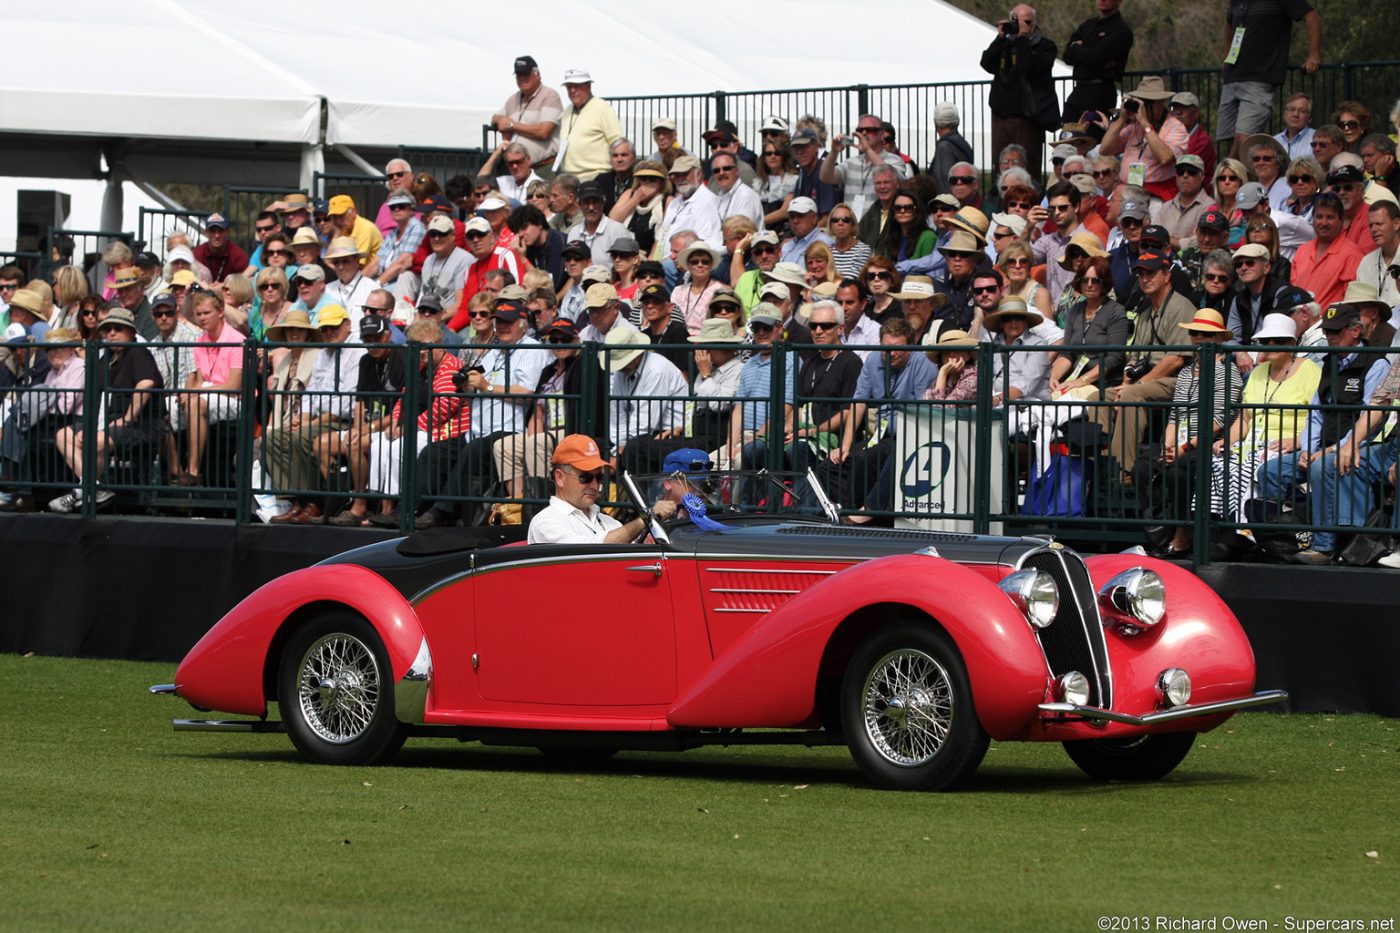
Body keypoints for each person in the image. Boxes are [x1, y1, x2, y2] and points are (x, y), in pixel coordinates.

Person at [1271, 305, 1388, 564]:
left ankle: (1323, 546)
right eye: (1327, 331)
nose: (1330, 337)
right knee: (1270, 471)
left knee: (1323, 467)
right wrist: (1307, 450)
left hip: (1352, 447)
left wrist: (1332, 450)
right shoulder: (1328, 361)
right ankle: (1287, 538)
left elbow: (1371, 420)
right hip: (1321, 448)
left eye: (1336, 331)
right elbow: (1316, 413)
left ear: (1356, 331)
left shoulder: (1376, 363)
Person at [1134, 308, 1243, 555]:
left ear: (1218, 339)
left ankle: (1184, 534)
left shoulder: (1228, 372)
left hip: (1209, 443)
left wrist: (1185, 447)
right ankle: (1162, 532)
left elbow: (1219, 420)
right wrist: (1167, 447)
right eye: (1195, 333)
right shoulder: (1185, 372)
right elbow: (1175, 416)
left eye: (1206, 334)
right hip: (1181, 441)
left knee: (1180, 472)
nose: (1199, 339)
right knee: (1143, 467)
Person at [1084, 251, 1196, 474]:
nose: (1145, 279)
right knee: (1098, 397)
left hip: (1179, 380)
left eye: (1151, 273)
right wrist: (1126, 381)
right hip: (1147, 380)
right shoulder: (1145, 311)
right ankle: (1102, 465)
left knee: (1132, 395)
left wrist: (1134, 386)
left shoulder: (1181, 307)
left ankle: (1122, 470)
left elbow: (1176, 359)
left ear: (1166, 275)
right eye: (1140, 274)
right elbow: (1134, 357)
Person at [48, 312, 162, 513]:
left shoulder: (139, 352)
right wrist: (91, 427)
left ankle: (81, 491)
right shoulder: (105, 359)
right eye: (108, 329)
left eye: (118, 329)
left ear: (131, 332)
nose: (112, 333)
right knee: (63, 435)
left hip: (141, 426)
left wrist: (127, 418)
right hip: (105, 423)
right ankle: (95, 489)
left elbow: (145, 384)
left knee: (98, 441)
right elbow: (95, 398)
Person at [1212, 314, 1321, 524]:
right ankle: (1221, 525)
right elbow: (1244, 418)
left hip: (1286, 445)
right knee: (1217, 463)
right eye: (1265, 341)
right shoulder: (1257, 373)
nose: (1270, 345)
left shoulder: (1310, 371)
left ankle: (1248, 529)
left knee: (1247, 468)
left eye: (1278, 341)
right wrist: (1229, 439)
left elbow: (1318, 418)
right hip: (1253, 443)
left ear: (1292, 343)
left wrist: (1300, 441)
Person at [527, 434, 677, 544]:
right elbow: (592, 552)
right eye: (585, 478)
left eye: (598, 478)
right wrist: (646, 518)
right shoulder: (546, 522)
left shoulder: (607, 521)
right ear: (560, 478)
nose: (594, 485)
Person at [1218, 0, 1321, 157]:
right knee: (1229, 139)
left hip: (1260, 79)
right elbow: (1228, 23)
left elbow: (1312, 17)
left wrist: (1313, 55)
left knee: (1244, 138)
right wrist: (1226, 57)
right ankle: (1233, 177)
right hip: (1233, 77)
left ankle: (1224, 177)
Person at [980, 3, 1059, 174]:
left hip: (1028, 118)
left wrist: (1022, 40)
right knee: (1000, 165)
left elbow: (1028, 66)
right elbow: (986, 63)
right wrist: (1000, 38)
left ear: (1035, 22)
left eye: (1028, 22)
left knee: (1027, 166)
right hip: (1001, 117)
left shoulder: (1046, 46)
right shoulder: (1006, 44)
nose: (1024, 27)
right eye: (1018, 22)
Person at [177, 291, 244, 487]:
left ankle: (193, 470)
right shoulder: (200, 341)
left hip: (234, 398)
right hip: (207, 393)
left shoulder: (237, 340)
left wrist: (198, 392)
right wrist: (188, 393)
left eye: (206, 313)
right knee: (164, 408)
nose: (202, 318)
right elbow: (198, 378)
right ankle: (175, 471)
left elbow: (234, 385)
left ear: (221, 312)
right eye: (198, 314)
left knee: (197, 402)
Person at [262, 310, 322, 522]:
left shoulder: (316, 356)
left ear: (307, 334)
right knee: (259, 444)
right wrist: (270, 427)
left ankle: (304, 500)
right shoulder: (286, 360)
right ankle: (289, 502)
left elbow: (318, 396)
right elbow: (277, 403)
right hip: (284, 422)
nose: (294, 334)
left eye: (299, 330)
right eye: (290, 330)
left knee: (291, 440)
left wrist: (307, 420)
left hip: (307, 419)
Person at [1099, 76, 1188, 203]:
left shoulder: (1175, 127)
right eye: (1140, 101)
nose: (1143, 107)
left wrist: (1145, 124)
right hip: (1128, 192)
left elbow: (1165, 157)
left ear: (1161, 101)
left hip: (1156, 196)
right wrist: (1121, 119)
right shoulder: (1134, 126)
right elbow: (1105, 149)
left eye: (1148, 102)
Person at [1051, 255, 1130, 393]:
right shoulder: (1074, 310)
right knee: (1049, 395)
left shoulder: (1116, 311)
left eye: (1095, 280)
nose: (1089, 285)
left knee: (1063, 403)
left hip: (1104, 383)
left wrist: (1081, 382)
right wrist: (1053, 377)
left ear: (1104, 283)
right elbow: (1067, 353)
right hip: (1075, 379)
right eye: (1084, 280)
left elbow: (1114, 358)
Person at [818, 114, 910, 221]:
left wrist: (867, 150)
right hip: (852, 228)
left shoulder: (894, 160)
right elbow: (825, 176)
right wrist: (834, 152)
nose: (864, 133)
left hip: (878, 228)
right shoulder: (851, 162)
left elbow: (891, 175)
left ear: (881, 135)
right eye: (860, 130)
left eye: (870, 130)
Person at [1290, 192, 1363, 312]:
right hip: (1298, 325)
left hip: (1330, 327)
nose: (1323, 223)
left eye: (1330, 217)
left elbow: (1351, 303)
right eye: (1319, 217)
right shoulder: (1302, 250)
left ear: (1342, 220)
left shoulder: (1353, 254)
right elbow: (1293, 293)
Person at [1063, 0, 1134, 116]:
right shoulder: (1087, 25)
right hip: (1078, 90)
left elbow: (1097, 58)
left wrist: (1076, 48)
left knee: (1092, 133)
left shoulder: (1121, 30)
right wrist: (1088, 53)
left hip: (1100, 93)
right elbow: (1067, 56)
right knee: (1068, 132)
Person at [493, 55, 562, 172]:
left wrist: (511, 126)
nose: (522, 78)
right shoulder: (513, 99)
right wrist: (502, 123)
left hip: (543, 168)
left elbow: (543, 132)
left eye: (526, 74)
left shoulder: (550, 96)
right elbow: (495, 117)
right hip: (515, 168)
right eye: (518, 75)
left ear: (537, 74)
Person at [557, 68, 622, 181]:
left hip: (596, 176)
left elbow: (617, 142)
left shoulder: (603, 108)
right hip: (569, 177)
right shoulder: (567, 110)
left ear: (588, 86)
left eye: (576, 86)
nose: (572, 90)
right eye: (569, 87)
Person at [656, 157, 722, 255]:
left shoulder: (707, 202)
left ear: (699, 174)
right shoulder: (674, 203)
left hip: (685, 263)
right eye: (676, 175)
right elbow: (661, 237)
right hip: (664, 260)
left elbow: (700, 244)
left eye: (684, 174)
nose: (680, 179)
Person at [608, 161, 669, 257]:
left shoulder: (666, 201)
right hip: (624, 253)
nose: (648, 182)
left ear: (661, 182)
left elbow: (663, 236)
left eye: (653, 179)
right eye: (644, 178)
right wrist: (636, 199)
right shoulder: (630, 194)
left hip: (648, 255)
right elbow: (613, 219)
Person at [1154, 154, 1213, 250]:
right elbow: (1153, 236)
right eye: (1181, 172)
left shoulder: (1210, 207)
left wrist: (1164, 239)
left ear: (1201, 176)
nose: (1185, 175)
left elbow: (1199, 242)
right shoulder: (1165, 207)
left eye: (1191, 172)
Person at [671, 241, 725, 335]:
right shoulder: (678, 291)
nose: (700, 265)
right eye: (694, 262)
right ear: (688, 265)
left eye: (705, 262)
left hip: (708, 340)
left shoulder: (720, 290)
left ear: (711, 264)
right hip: (679, 339)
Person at [326, 196, 383, 269]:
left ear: (353, 212)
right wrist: (336, 234)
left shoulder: (365, 228)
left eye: (341, 216)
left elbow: (356, 265)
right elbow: (328, 260)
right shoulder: (343, 228)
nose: (338, 221)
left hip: (372, 275)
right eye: (334, 217)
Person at [192, 213, 249, 282]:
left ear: (228, 232)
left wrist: (222, 288)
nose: (217, 235)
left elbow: (244, 283)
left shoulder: (238, 256)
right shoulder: (197, 254)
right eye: (212, 231)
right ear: (206, 232)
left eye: (221, 230)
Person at [755, 140, 798, 231]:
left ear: (783, 157)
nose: (773, 156)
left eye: (777, 153)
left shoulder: (792, 180)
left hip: (783, 229)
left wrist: (757, 222)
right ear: (764, 158)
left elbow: (785, 211)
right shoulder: (759, 182)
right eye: (768, 154)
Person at [1275, 93, 1316, 162]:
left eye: (1302, 111)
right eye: (1292, 109)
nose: (1295, 114)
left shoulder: (1315, 139)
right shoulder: (1275, 141)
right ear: (1285, 114)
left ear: (1309, 118)